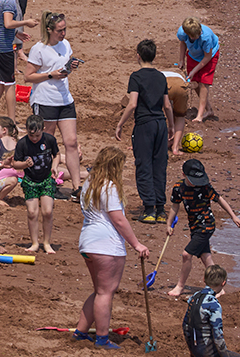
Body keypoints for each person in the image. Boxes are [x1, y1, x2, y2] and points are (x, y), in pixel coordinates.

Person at [74, 147, 152, 348]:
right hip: (106, 244)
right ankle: (102, 338)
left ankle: (81, 332)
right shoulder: (109, 187)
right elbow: (118, 219)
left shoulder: (88, 184)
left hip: (87, 241)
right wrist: (136, 244)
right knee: (106, 293)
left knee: (99, 290)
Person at [113, 39, 178, 224]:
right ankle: (160, 209)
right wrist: (171, 126)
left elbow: (133, 103)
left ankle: (149, 209)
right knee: (159, 166)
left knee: (144, 166)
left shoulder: (136, 77)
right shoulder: (160, 77)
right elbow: (167, 105)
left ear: (138, 56)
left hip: (144, 125)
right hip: (161, 124)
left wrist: (120, 124)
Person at [20, 11, 80, 192]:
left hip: (64, 99)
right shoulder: (39, 49)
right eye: (60, 31)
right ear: (49, 30)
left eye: (65, 29)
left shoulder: (65, 45)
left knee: (71, 142)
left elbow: (62, 67)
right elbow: (28, 77)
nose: (63, 34)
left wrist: (70, 67)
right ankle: (47, 183)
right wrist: (49, 75)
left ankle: (77, 186)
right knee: (47, 143)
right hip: (45, 100)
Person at [165, 159, 240, 297]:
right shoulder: (178, 188)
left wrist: (233, 216)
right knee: (206, 257)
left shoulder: (205, 187)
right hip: (194, 226)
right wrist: (169, 224)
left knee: (187, 255)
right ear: (184, 175)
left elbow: (219, 199)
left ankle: (180, 287)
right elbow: (175, 206)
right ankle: (218, 287)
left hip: (207, 225)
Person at [10, 113, 60, 254]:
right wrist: (25, 164)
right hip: (30, 181)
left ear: (43, 129)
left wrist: (55, 166)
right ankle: (34, 243)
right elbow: (15, 164)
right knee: (32, 212)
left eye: (37, 136)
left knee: (47, 211)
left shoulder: (49, 140)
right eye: (31, 136)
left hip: (46, 180)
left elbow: (56, 155)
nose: (34, 139)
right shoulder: (22, 143)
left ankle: (47, 243)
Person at [180, 265, 240, 357]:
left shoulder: (193, 297)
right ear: (223, 283)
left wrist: (191, 351)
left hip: (195, 348)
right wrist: (224, 354)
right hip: (208, 352)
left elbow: (185, 325)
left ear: (204, 279)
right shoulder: (213, 304)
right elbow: (217, 335)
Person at [175, 20, 220, 124]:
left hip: (209, 56)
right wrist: (181, 59)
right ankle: (209, 110)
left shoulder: (206, 37)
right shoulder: (182, 32)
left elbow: (207, 57)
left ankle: (200, 115)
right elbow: (182, 42)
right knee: (194, 82)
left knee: (204, 82)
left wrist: (194, 70)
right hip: (193, 55)